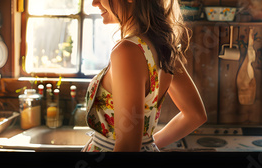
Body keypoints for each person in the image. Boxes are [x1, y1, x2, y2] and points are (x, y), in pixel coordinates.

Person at [82, 0, 207, 152]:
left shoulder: (127, 51)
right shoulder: (163, 48)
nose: (94, 3)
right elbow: (195, 115)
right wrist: (148, 146)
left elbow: (128, 147)